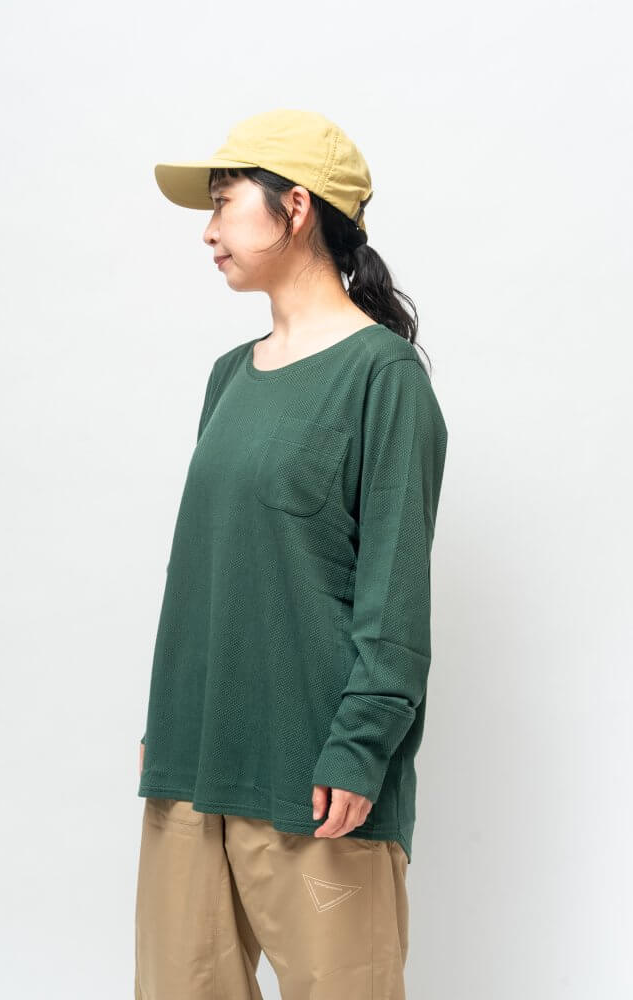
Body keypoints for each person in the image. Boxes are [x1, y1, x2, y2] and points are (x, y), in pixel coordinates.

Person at [134, 108, 448, 1000]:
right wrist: (168, 729)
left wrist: (359, 750)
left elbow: (395, 591)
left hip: (316, 783)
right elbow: (209, 571)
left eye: (223, 202)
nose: (208, 231)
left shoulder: (383, 378)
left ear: (296, 207)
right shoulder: (229, 376)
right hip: (192, 770)